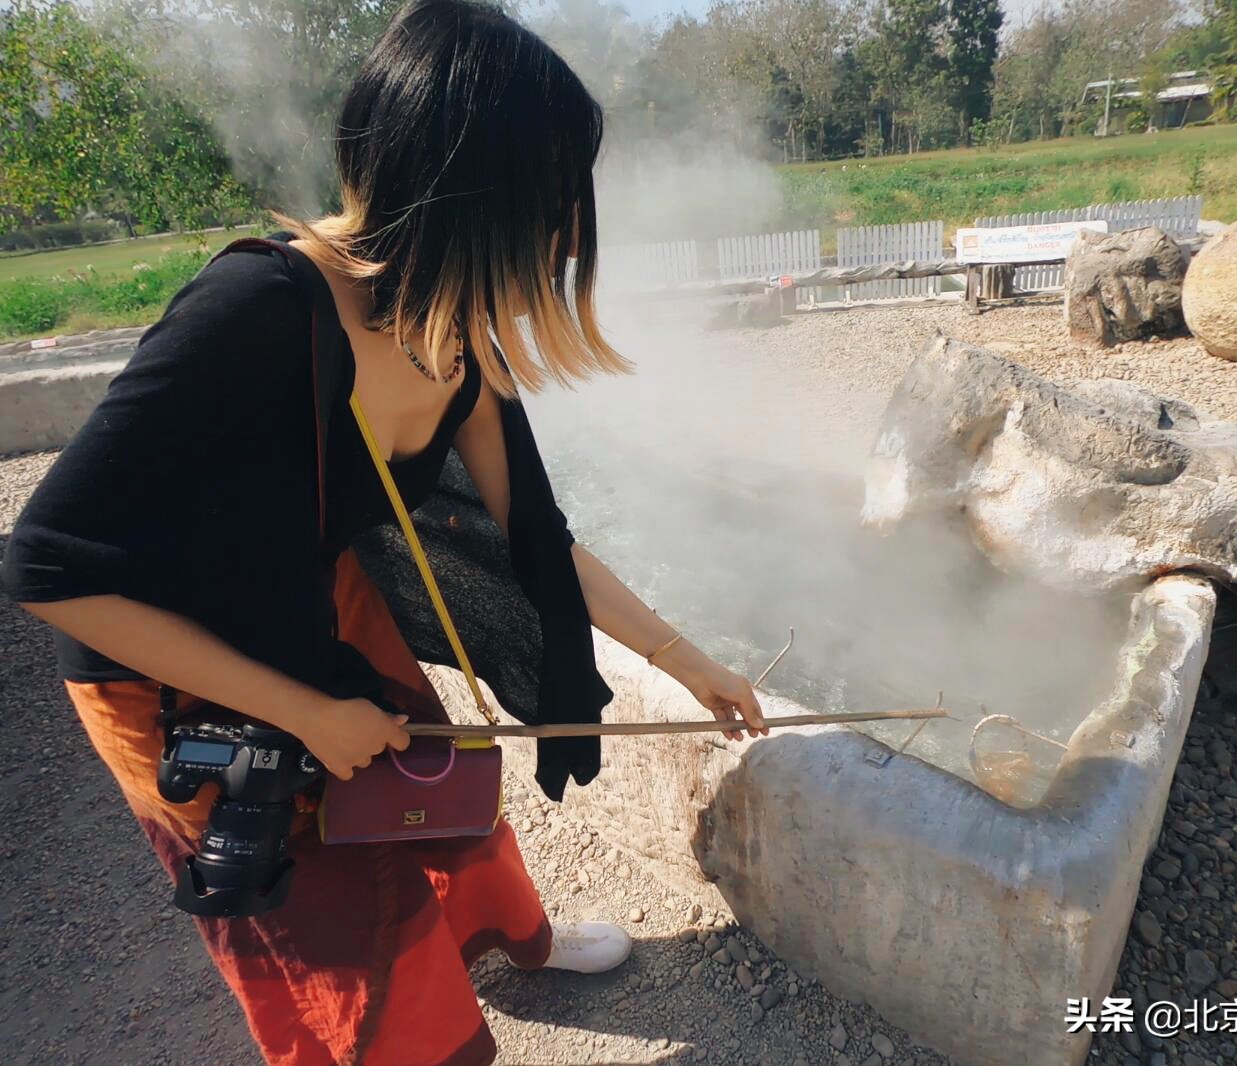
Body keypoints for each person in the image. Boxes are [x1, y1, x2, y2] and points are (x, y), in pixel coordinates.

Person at [0, 2, 768, 1063]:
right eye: (553, 199)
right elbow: (46, 565)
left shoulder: (459, 333)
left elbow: (539, 539)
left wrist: (689, 663)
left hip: (308, 600)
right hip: (173, 664)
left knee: (433, 790)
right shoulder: (254, 311)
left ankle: (512, 943)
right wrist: (307, 713)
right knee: (341, 923)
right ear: (475, 193)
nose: (568, 231)